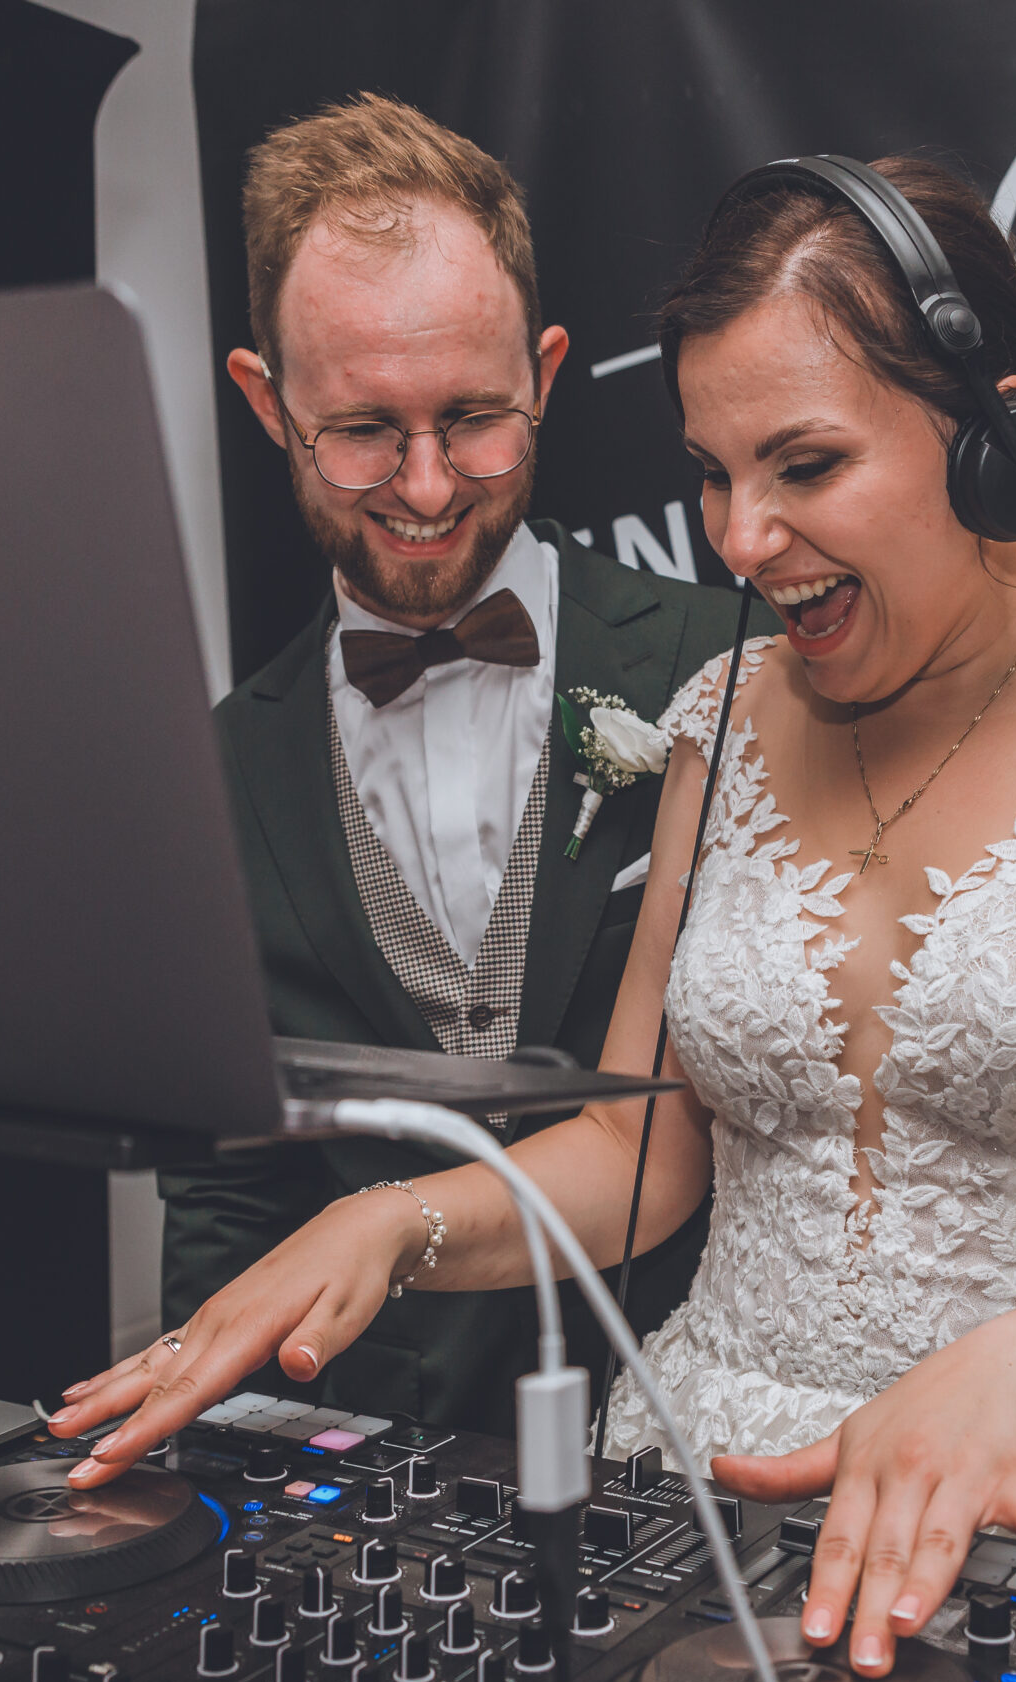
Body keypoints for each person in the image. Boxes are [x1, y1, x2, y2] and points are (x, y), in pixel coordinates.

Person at [60, 153, 1016, 1682]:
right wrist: (394, 1220)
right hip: (708, 1516)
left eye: (806, 465)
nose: (741, 537)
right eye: (715, 474)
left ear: (994, 433)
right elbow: (639, 1153)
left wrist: (1013, 1364)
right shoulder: (723, 713)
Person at [145, 95, 763, 1436]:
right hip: (371, 1469)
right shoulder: (214, 771)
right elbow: (228, 1193)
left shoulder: (732, 665)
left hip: (693, 1451)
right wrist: (216, 1471)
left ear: (546, 374)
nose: (426, 487)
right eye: (362, 429)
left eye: (475, 418)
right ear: (266, 400)